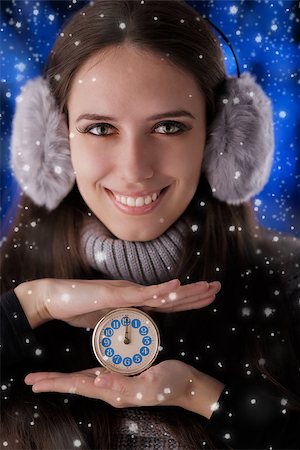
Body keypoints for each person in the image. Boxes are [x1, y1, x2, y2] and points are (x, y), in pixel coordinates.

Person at [1, 1, 299, 449]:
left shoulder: (289, 284)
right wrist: (30, 308)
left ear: (223, 139)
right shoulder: (12, 295)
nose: (134, 169)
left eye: (168, 127)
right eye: (100, 129)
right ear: (52, 142)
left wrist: (201, 396)